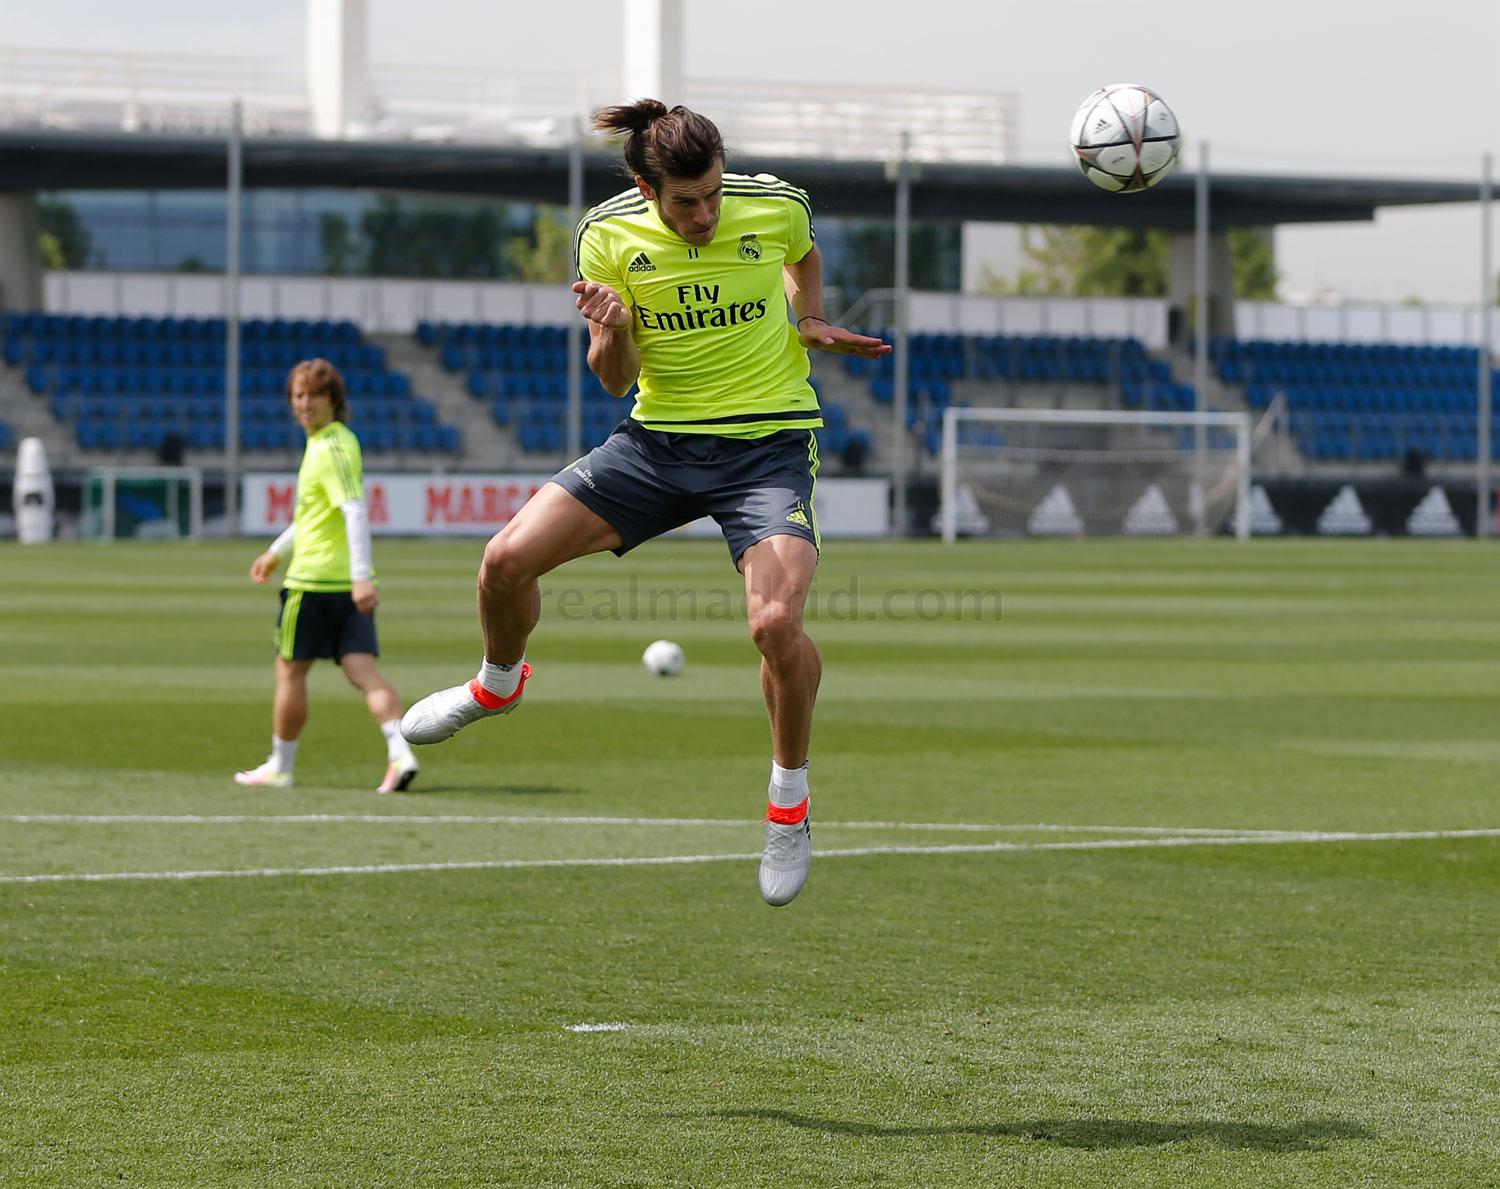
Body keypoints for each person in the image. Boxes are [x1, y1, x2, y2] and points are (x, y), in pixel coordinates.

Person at [401, 99, 889, 906]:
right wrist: (614, 328)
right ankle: (496, 682)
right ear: (644, 188)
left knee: (774, 625)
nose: (703, 215)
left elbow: (804, 256)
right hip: (655, 444)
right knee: (502, 561)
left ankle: (788, 803)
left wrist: (809, 319)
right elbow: (615, 378)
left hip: (766, 446)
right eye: (684, 201)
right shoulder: (606, 234)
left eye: (712, 194)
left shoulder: (777, 203)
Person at [235, 358, 420, 794]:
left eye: (314, 395)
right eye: (298, 395)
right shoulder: (332, 443)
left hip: (315, 583)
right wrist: (276, 552)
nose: (304, 404)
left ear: (333, 399)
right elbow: (314, 515)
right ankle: (401, 754)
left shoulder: (330, 448)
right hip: (337, 581)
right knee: (363, 672)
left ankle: (281, 767)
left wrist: (360, 577)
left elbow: (354, 512)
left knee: (290, 673)